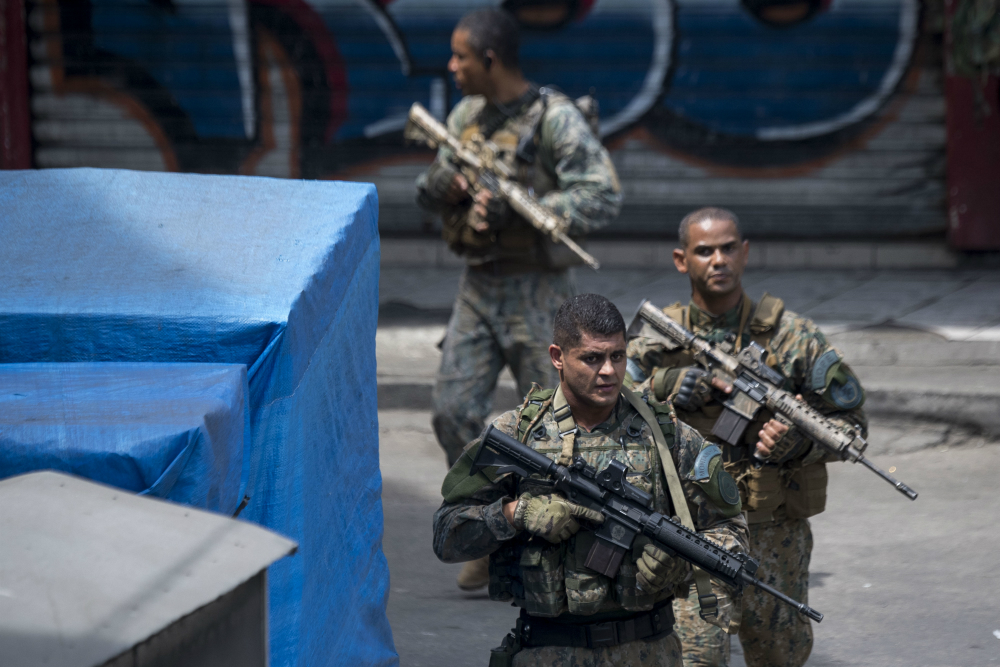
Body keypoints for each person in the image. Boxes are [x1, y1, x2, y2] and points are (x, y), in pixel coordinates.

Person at [415, 7, 621, 591]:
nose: (451, 67)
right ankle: (493, 522)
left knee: (558, 426)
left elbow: (602, 195)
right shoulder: (465, 117)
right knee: (452, 411)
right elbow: (428, 190)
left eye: (460, 57)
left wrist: (530, 208)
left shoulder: (554, 119)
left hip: (539, 293)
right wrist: (448, 184)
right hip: (479, 287)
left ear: (489, 60)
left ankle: (560, 547)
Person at [432, 294, 749, 667]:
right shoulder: (518, 433)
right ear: (557, 357)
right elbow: (446, 535)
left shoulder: (667, 435)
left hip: (648, 651)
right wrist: (516, 513)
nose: (609, 371)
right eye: (592, 358)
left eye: (618, 356)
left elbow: (732, 531)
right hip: (549, 651)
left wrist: (681, 563)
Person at [626, 207, 868, 667]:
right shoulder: (655, 341)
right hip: (687, 532)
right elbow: (599, 407)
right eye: (704, 251)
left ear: (746, 252)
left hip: (772, 535)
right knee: (693, 659)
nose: (718, 260)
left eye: (728, 248)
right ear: (681, 260)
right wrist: (663, 385)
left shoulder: (794, 338)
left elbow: (853, 425)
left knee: (780, 655)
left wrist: (800, 442)